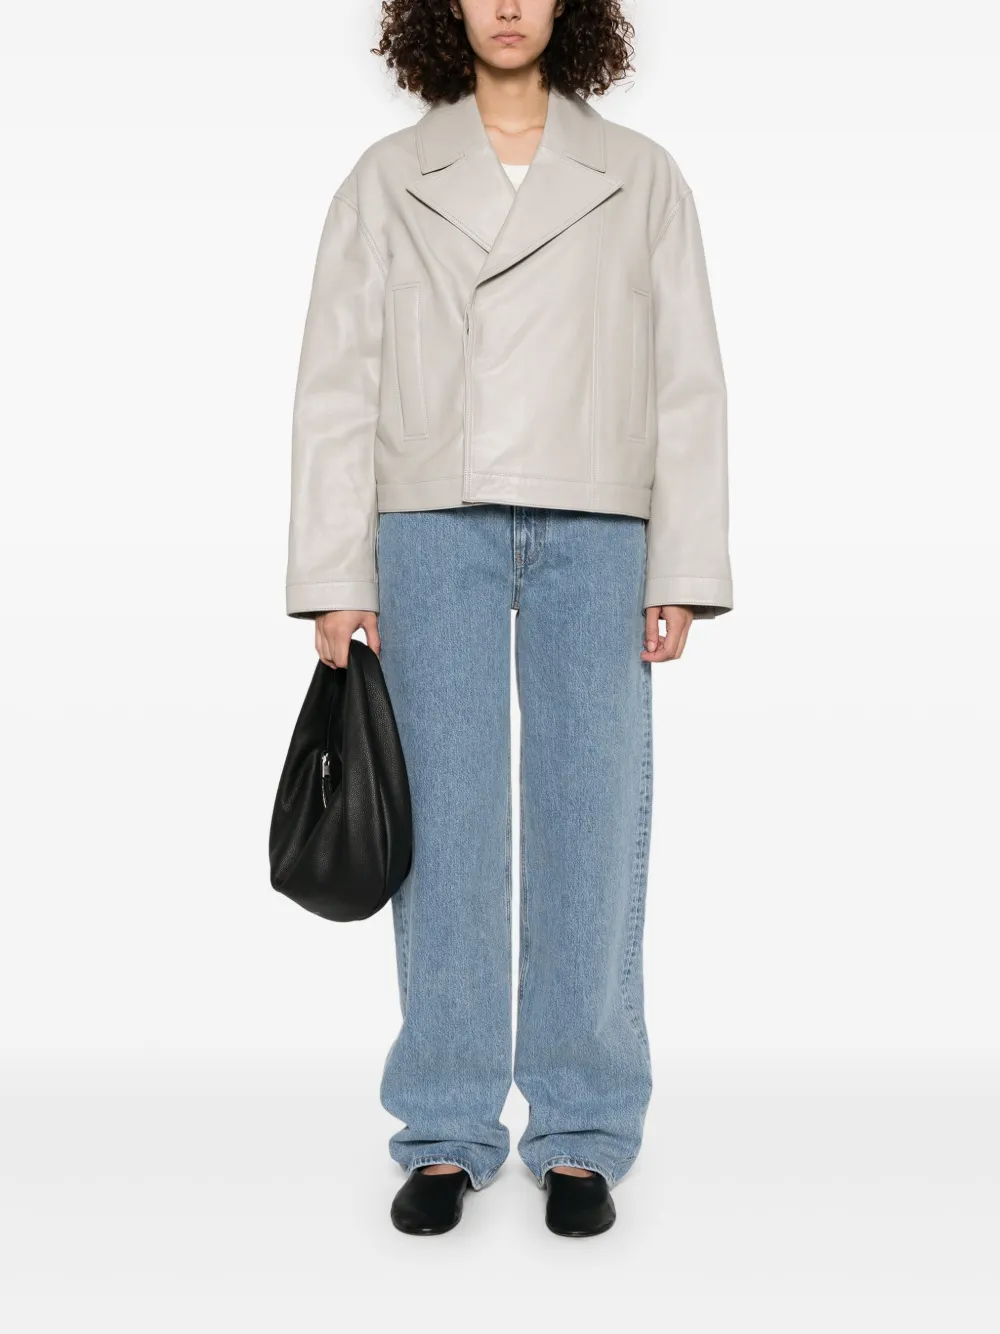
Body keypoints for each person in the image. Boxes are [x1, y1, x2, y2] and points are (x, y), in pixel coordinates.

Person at [285, 0, 732, 1237]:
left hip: (600, 519)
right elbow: (337, 380)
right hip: (431, 518)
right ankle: (444, 1126)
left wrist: (681, 561)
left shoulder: (639, 174)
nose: (507, 2)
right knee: (444, 829)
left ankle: (582, 1126)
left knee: (592, 818)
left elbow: (687, 376)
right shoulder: (387, 178)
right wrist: (335, 571)